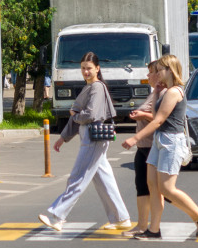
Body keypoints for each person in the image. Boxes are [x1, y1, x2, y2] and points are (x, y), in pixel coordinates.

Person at [121, 54, 198, 240]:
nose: (156, 73)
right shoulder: (164, 91)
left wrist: (134, 138)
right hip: (159, 140)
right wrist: (155, 91)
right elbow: (156, 114)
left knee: (166, 188)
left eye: (160, 69)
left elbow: (158, 120)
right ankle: (154, 230)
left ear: (170, 70)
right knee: (153, 185)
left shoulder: (174, 92)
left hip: (171, 141)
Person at [38, 52, 132, 232]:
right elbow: (79, 116)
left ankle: (57, 216)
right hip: (90, 137)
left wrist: (75, 115)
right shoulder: (89, 87)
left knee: (78, 177)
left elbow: (90, 115)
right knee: (105, 180)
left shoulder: (96, 87)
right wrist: (64, 138)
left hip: (93, 138)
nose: (85, 72)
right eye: (83, 68)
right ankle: (122, 218)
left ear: (97, 68)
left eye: (89, 68)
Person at [123, 60, 166, 237]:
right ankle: (142, 225)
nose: (147, 76)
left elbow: (159, 119)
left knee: (165, 191)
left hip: (151, 145)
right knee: (142, 185)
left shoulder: (164, 93)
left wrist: (142, 115)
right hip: (143, 146)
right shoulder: (154, 92)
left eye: (150, 72)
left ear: (159, 74)